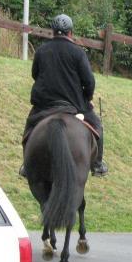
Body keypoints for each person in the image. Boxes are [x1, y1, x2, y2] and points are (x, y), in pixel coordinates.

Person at [20, 14, 108, 177]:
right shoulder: (78, 52)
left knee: (29, 128)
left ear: (53, 32)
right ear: (70, 33)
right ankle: (97, 165)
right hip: (73, 105)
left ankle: (27, 164)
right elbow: (89, 82)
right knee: (98, 126)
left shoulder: (41, 51)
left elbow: (35, 74)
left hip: (44, 105)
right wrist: (87, 100)